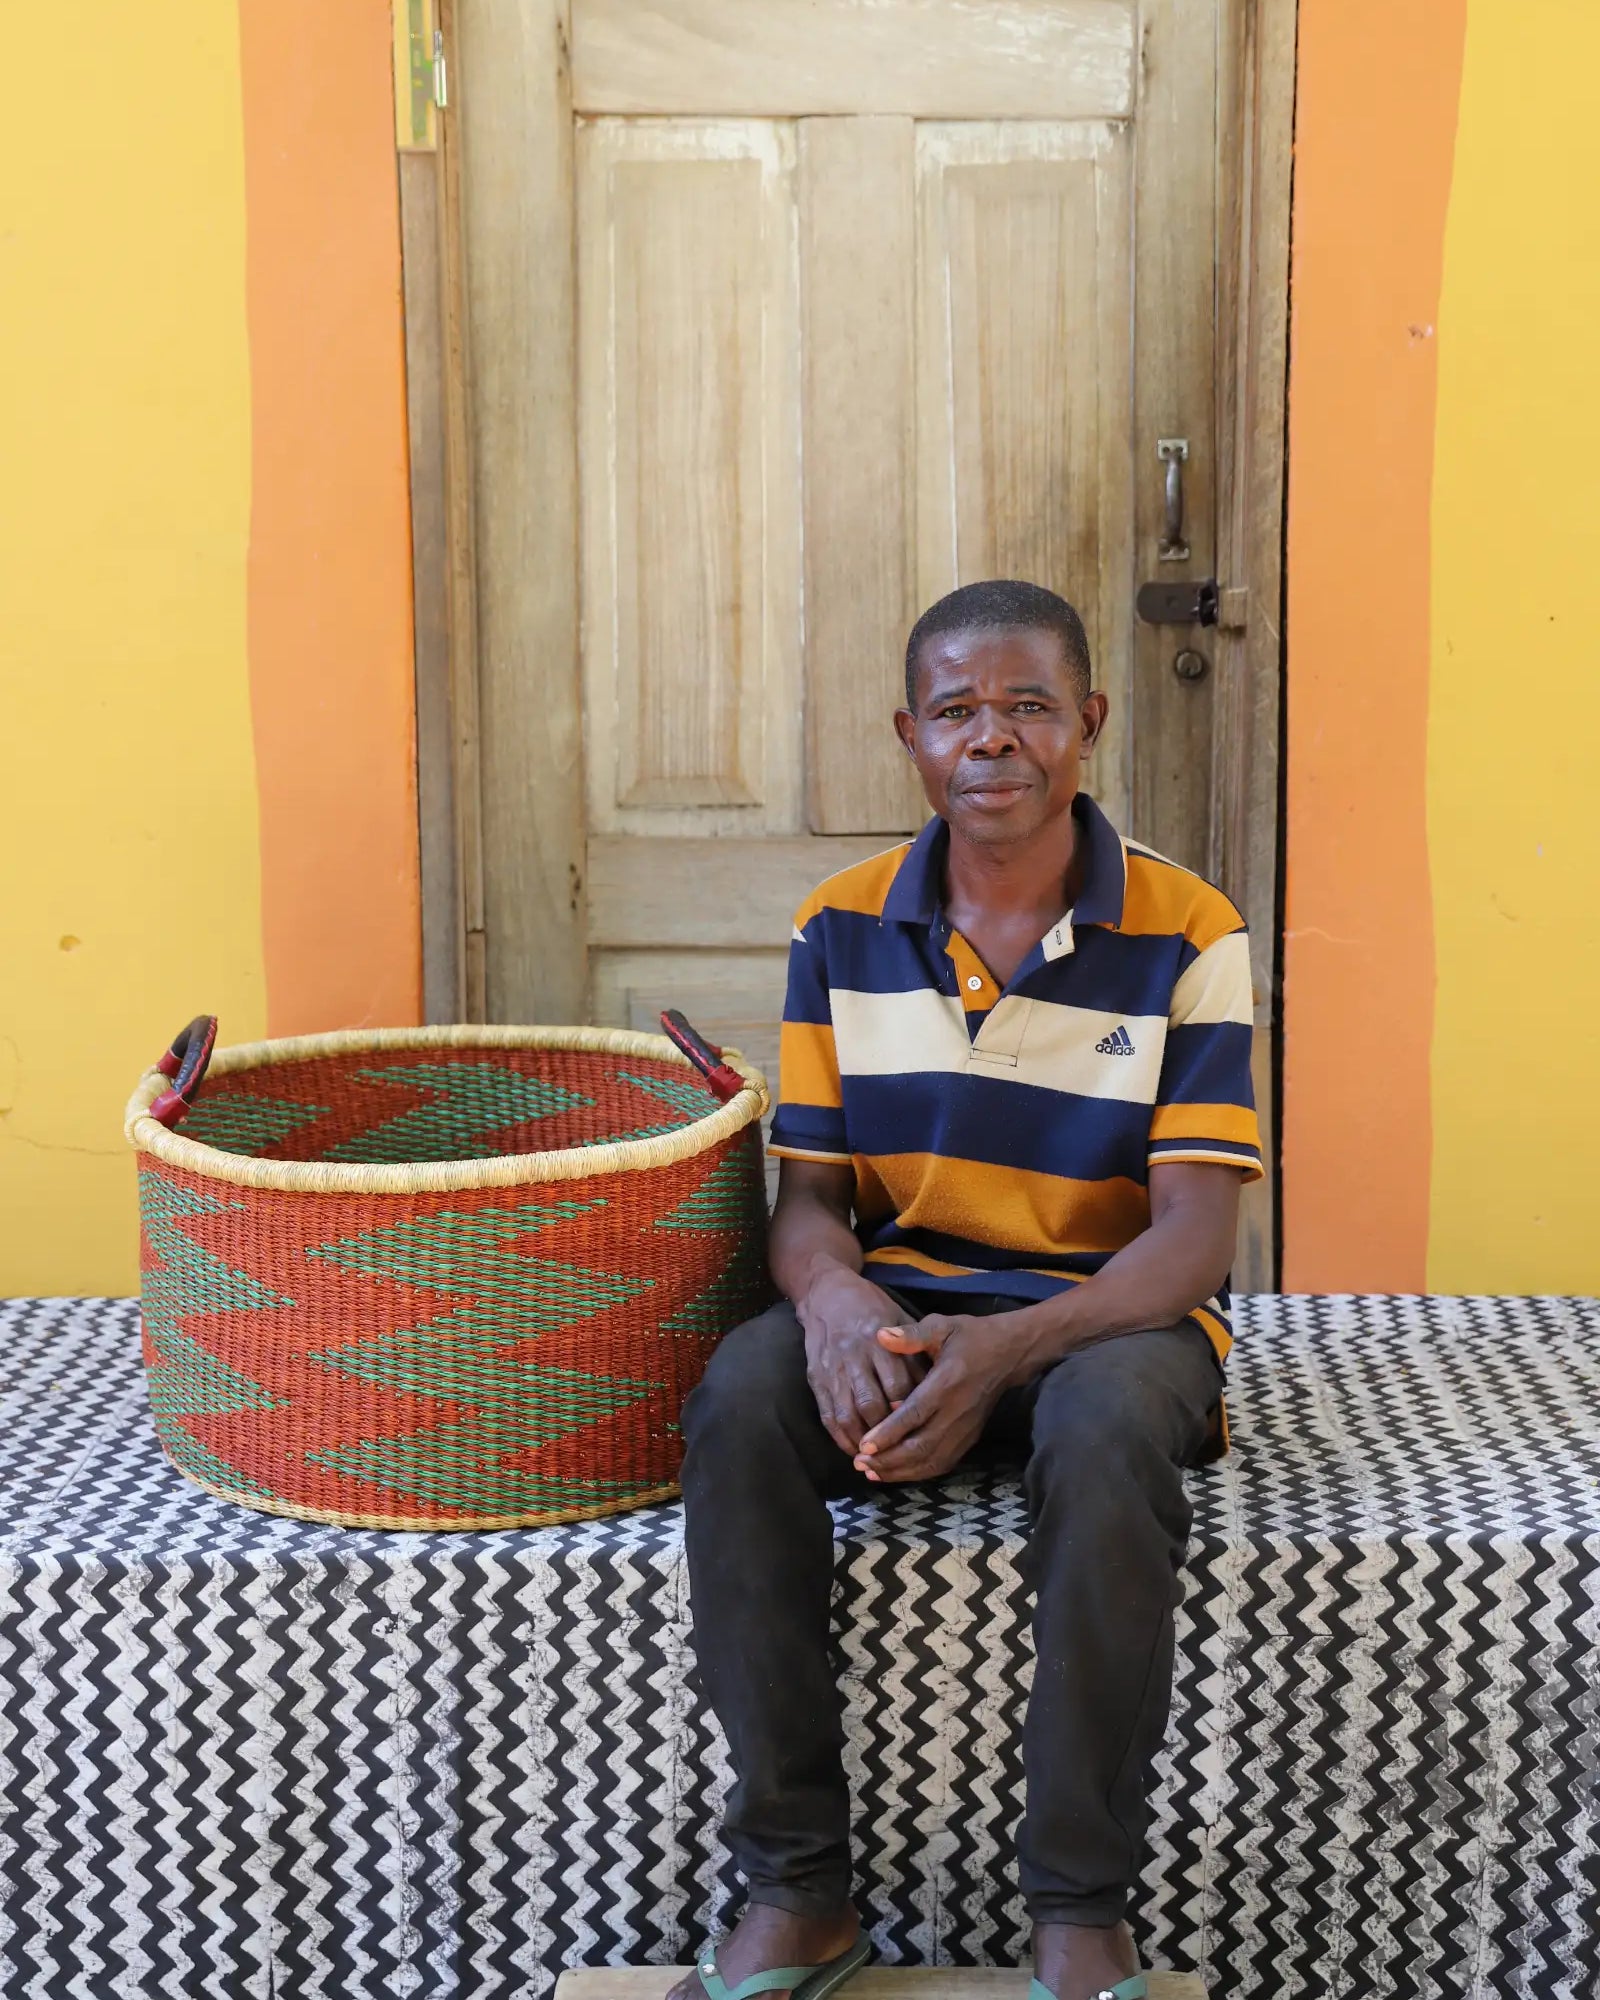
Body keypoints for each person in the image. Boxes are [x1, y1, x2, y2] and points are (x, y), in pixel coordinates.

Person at [672, 579, 1261, 2000]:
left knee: (1106, 1435)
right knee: (741, 1399)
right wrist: (838, 1310)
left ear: (1088, 723)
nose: (992, 738)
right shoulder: (839, 927)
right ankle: (798, 1891)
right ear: (911, 738)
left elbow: (1193, 1238)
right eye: (957, 711)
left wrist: (1008, 1353)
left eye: (1028, 706)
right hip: (910, 1309)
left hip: (1113, 1315)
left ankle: (1080, 1910)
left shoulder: (1189, 930)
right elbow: (809, 1203)